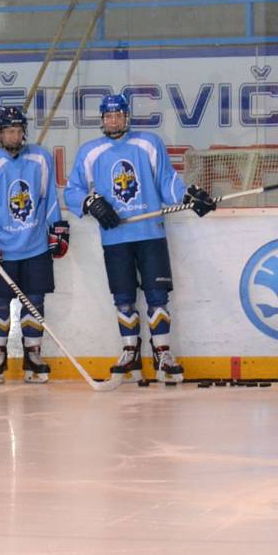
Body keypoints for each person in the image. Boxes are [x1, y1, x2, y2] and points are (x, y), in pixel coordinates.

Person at [64, 94, 216, 383]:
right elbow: (72, 190)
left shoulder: (148, 143)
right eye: (108, 116)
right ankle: (130, 352)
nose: (113, 120)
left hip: (150, 232)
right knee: (123, 298)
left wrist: (188, 196)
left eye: (118, 115)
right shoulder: (90, 151)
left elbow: (166, 180)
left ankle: (162, 353)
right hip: (115, 237)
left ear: (126, 117)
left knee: (157, 297)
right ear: (102, 120)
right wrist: (90, 203)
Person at [0, 106, 68, 385]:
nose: (14, 135)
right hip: (1, 248)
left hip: (34, 246)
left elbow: (48, 199)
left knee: (35, 300)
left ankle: (33, 355)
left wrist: (57, 228)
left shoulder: (40, 158)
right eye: (9, 131)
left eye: (18, 130)